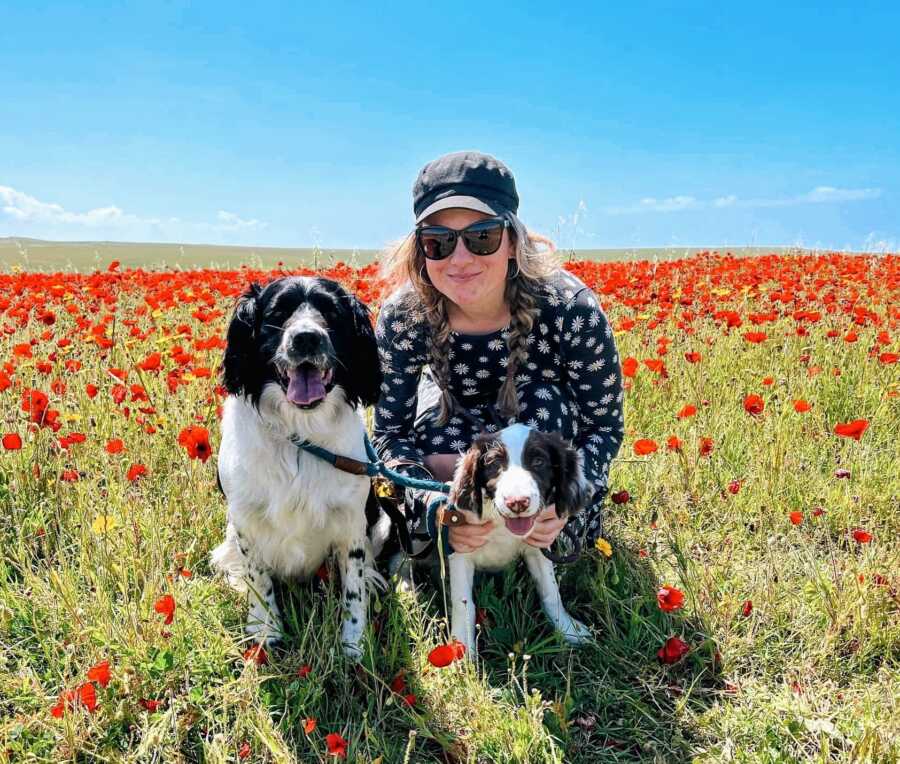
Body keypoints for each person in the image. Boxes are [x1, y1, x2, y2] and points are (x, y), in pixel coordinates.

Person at [372, 151, 624, 560]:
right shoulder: (404, 316)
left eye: (481, 237)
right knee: (434, 437)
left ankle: (544, 532)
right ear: (420, 251)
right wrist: (430, 505)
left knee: (545, 415)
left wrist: (565, 501)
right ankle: (460, 531)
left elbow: (604, 428)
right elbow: (389, 434)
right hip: (456, 440)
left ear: (512, 240)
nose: (460, 259)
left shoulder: (569, 307)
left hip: (542, 451)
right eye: (438, 241)